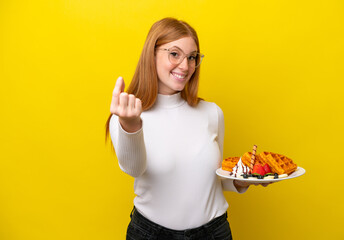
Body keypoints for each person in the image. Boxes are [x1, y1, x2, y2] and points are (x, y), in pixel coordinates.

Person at [105, 17, 267, 240]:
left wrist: (240, 180)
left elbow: (213, 177)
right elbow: (134, 169)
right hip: (151, 234)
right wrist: (131, 126)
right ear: (151, 54)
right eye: (174, 54)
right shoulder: (127, 115)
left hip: (214, 232)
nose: (185, 66)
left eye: (192, 57)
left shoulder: (212, 113)